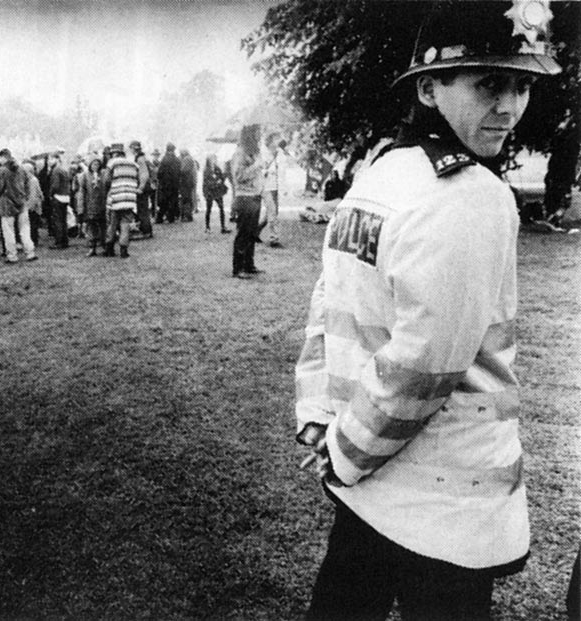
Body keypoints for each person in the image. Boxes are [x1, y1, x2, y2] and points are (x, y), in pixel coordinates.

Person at [294, 3, 562, 619]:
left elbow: (326, 307)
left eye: (522, 85)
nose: (509, 107)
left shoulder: (381, 171)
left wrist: (322, 420)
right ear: (429, 87)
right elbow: (426, 365)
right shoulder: (473, 196)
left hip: (368, 482)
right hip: (443, 502)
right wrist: (346, 450)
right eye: (489, 83)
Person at [230, 124, 263, 279]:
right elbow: (239, 176)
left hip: (254, 196)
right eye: (257, 131)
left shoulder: (254, 152)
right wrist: (256, 167)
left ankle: (249, 264)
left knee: (251, 232)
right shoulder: (240, 153)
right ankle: (238, 267)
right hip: (244, 197)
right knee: (243, 232)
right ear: (250, 133)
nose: (260, 134)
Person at [0, 148, 37, 263]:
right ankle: (30, 253)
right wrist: (25, 196)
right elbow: (29, 182)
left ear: (4, 157)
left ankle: (12, 256)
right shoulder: (22, 168)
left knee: (9, 232)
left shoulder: (3, 170)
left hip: (7, 204)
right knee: (25, 230)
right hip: (22, 203)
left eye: (0, 158)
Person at [103, 143, 138, 258]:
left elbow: (106, 180)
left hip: (116, 198)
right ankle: (123, 250)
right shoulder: (133, 164)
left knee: (112, 223)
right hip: (130, 198)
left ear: (114, 153)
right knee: (125, 224)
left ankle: (109, 249)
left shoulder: (112, 163)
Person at [262, 133, 286, 247]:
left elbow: (282, 172)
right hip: (266, 187)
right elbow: (258, 170)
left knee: (273, 213)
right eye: (277, 139)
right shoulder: (263, 153)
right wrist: (265, 172)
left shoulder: (280, 153)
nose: (279, 141)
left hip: (275, 187)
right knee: (272, 212)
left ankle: (255, 231)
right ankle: (274, 239)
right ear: (271, 141)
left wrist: (283, 187)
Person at [80, 156, 108, 256]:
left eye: (97, 164)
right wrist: (81, 207)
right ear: (90, 165)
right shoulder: (85, 175)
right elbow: (82, 191)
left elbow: (107, 187)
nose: (95, 166)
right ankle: (92, 248)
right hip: (90, 205)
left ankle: (105, 247)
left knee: (103, 226)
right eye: (93, 164)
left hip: (102, 204)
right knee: (91, 227)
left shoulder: (104, 174)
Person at [129, 140, 153, 238]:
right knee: (143, 209)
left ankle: (146, 231)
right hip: (145, 186)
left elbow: (144, 174)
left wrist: (140, 187)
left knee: (142, 209)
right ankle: (146, 230)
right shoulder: (142, 157)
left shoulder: (140, 159)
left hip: (143, 187)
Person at [48, 149, 72, 249]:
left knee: (57, 220)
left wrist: (50, 194)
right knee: (63, 220)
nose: (49, 161)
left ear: (56, 159)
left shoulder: (56, 170)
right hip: (65, 197)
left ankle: (59, 242)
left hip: (58, 197)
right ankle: (65, 241)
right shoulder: (63, 169)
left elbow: (55, 185)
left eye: (51, 159)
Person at [202, 154, 230, 233]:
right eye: (213, 159)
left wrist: (224, 175)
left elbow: (221, 178)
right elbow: (206, 182)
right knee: (208, 209)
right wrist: (216, 183)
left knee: (221, 208)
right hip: (210, 192)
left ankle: (223, 227)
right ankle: (207, 227)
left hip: (217, 192)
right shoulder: (206, 170)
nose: (214, 160)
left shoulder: (217, 169)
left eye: (215, 159)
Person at [156, 143, 181, 223]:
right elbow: (179, 172)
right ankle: (171, 217)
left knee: (164, 201)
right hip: (174, 184)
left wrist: (160, 179)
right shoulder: (177, 160)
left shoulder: (164, 159)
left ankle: (160, 218)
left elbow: (160, 172)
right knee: (173, 200)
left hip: (165, 184)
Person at [23, 160, 44, 247]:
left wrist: (29, 207)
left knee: (32, 224)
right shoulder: (32, 179)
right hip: (35, 205)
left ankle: (33, 241)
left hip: (33, 206)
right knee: (33, 224)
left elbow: (33, 195)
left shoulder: (32, 180)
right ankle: (34, 240)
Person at [179, 148, 197, 223]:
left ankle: (186, 215)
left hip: (185, 182)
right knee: (188, 198)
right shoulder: (190, 159)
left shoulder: (186, 159)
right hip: (189, 182)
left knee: (185, 199)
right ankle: (187, 215)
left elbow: (183, 170)